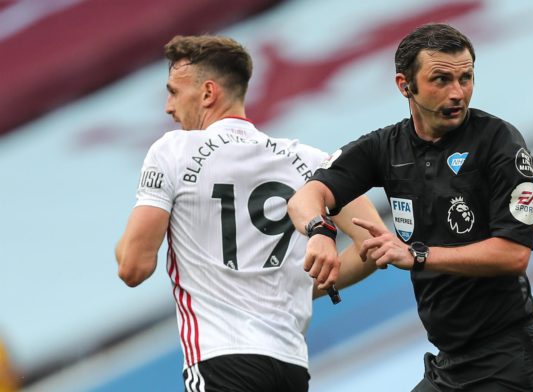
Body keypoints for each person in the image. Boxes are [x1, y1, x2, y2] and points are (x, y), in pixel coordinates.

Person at [288, 23, 533, 391]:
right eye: (441, 80)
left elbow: (513, 255)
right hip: (450, 366)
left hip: (511, 361)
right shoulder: (385, 147)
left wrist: (417, 254)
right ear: (405, 85)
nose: (457, 93)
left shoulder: (500, 143)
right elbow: (306, 196)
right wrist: (320, 232)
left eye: (466, 78)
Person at [115, 35, 385, 392]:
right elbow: (375, 241)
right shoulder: (307, 159)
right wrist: (301, 287)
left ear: (208, 93)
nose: (168, 107)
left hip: (219, 359)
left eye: (174, 92)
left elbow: (133, 267)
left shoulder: (173, 151)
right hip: (289, 366)